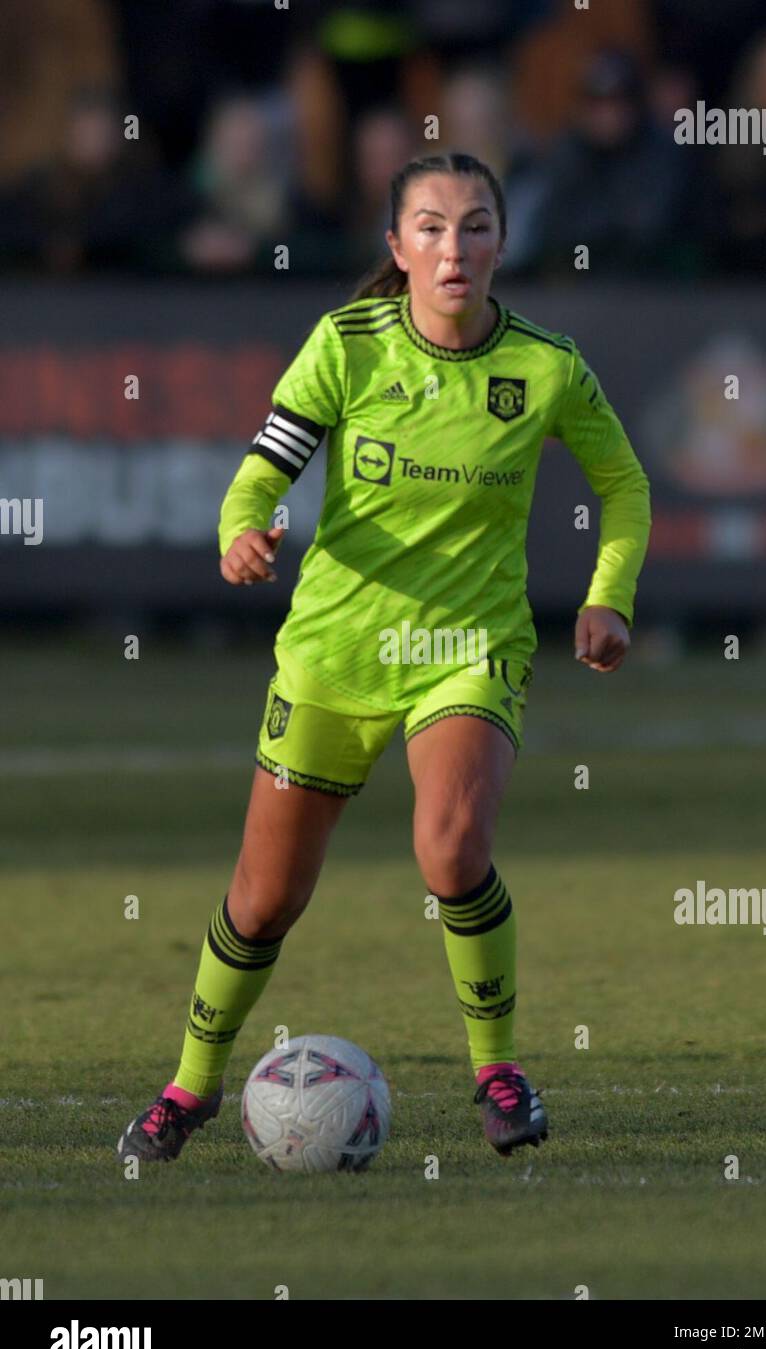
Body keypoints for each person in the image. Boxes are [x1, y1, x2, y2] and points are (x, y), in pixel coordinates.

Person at [117, 151, 651, 1166]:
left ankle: (495, 1069)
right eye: (433, 228)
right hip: (333, 648)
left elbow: (622, 485)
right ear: (396, 248)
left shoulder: (543, 365)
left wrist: (605, 598)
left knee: (450, 848)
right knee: (263, 897)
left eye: (476, 226)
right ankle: (188, 1084)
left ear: (503, 241)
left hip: (466, 647)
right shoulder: (346, 344)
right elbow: (259, 473)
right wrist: (245, 531)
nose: (455, 248)